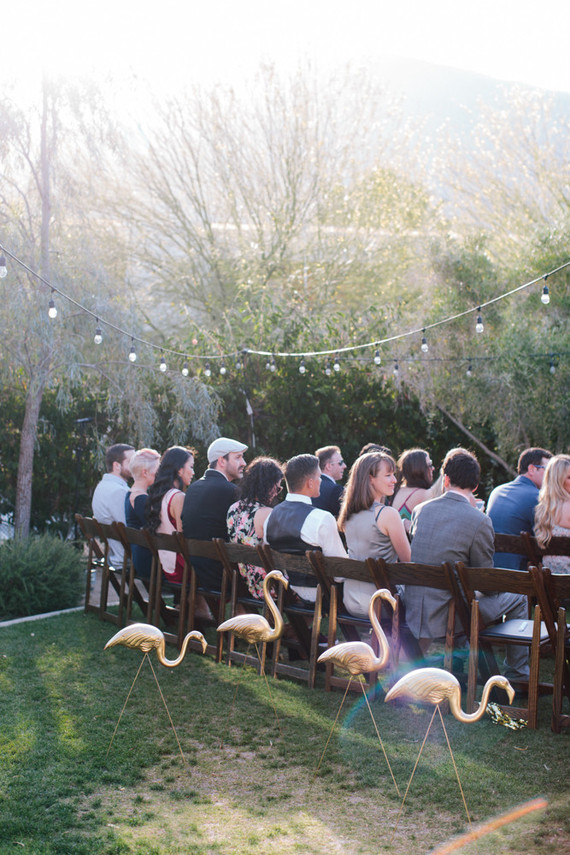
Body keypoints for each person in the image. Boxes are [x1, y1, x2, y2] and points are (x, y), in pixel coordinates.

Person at [403, 447, 529, 680]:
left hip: (415, 606)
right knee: (519, 597)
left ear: (446, 479)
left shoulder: (420, 510)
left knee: (466, 592)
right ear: (476, 486)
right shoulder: (480, 520)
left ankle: (461, 661)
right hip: (453, 613)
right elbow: (485, 582)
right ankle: (518, 673)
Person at [264, 453, 347, 602]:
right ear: (310, 483)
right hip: (323, 597)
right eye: (319, 477)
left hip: (287, 595)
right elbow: (340, 573)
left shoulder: (270, 517)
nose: (321, 481)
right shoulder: (322, 518)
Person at [338, 452, 411, 618]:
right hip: (382, 601)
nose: (395, 480)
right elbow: (408, 561)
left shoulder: (348, 514)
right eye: (388, 475)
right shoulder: (388, 514)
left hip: (350, 599)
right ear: (370, 479)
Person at [182, 437, 248, 589]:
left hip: (199, 573)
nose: (244, 463)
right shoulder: (232, 491)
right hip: (226, 577)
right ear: (222, 461)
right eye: (238, 457)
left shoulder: (193, 489)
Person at [227, 456, 284, 598]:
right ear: (267, 485)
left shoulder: (233, 508)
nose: (277, 493)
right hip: (269, 585)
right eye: (277, 488)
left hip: (245, 582)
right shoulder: (266, 513)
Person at [487, 447, 553, 569]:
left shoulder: (497, 491)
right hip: (520, 574)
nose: (551, 476)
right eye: (548, 470)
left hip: (490, 569)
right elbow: (546, 541)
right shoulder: (538, 497)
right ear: (532, 469)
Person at [145, 446, 196, 584]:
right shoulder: (178, 497)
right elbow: (183, 536)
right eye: (191, 467)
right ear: (179, 469)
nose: (193, 472)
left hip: (165, 564)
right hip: (180, 568)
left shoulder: (157, 495)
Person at [92, 442, 135, 567]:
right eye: (131, 462)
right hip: (124, 558)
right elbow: (129, 529)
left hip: (114, 555)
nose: (135, 466)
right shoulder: (119, 491)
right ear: (117, 465)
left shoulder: (102, 486)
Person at [124, 448, 161, 580]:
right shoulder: (140, 498)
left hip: (139, 555)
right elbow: (156, 527)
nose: (159, 474)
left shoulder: (131, 493)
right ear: (145, 472)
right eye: (157, 470)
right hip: (148, 560)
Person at [534, 454, 570, 574]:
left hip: (551, 576)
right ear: (558, 481)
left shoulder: (543, 508)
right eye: (569, 477)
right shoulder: (567, 506)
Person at [391, 448, 442, 532]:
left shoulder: (399, 489)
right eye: (429, 465)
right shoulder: (422, 494)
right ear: (419, 469)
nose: (433, 468)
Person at [311, 445, 347, 517]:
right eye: (340, 463)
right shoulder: (335, 490)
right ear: (328, 466)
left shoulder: (310, 486)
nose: (344, 466)